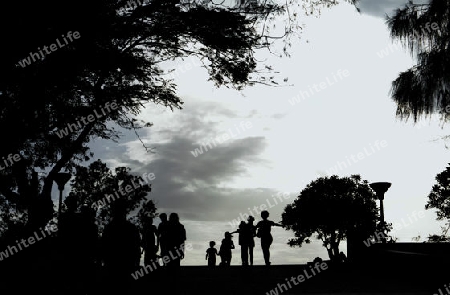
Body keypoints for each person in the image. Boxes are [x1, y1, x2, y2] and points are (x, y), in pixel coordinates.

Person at [101, 199, 141, 293]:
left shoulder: (109, 228)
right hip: (120, 267)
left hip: (116, 267)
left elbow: (103, 247)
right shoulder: (131, 228)